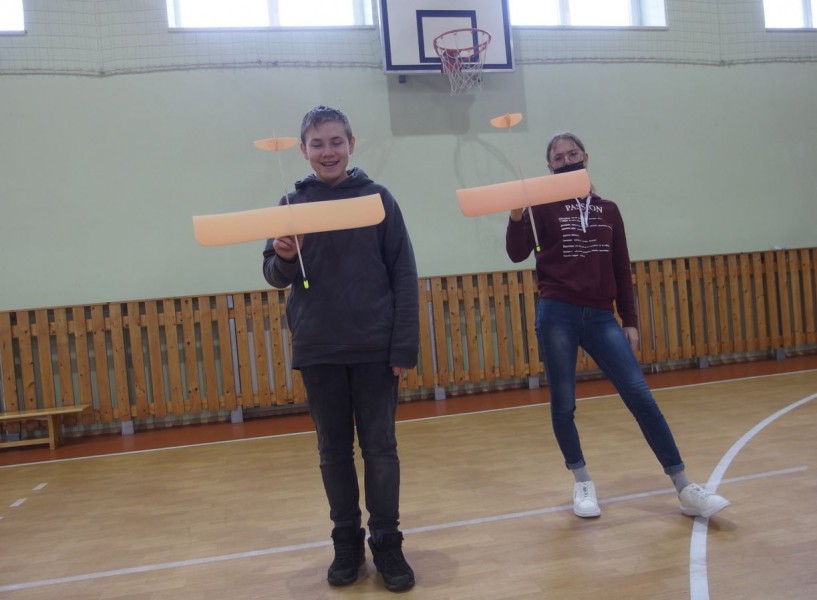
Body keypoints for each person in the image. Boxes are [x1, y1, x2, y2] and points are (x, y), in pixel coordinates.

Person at [505, 132, 730, 520]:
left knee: (640, 395)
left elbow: (620, 267)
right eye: (558, 157)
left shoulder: (608, 210)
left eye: (573, 153)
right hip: (557, 312)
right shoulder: (540, 207)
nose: (567, 160)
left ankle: (684, 486)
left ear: (586, 157)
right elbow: (516, 253)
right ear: (549, 166)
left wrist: (631, 320)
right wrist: (514, 216)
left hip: (601, 316)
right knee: (563, 402)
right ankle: (582, 481)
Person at [262, 105, 419, 592]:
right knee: (333, 451)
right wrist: (285, 256)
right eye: (317, 143)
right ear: (303, 150)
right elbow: (274, 275)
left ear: (351, 144)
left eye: (336, 141)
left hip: (375, 347)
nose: (327, 151)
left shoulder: (378, 199)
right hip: (319, 348)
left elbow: (404, 273)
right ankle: (346, 543)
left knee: (380, 449)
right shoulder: (290, 204)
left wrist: (403, 346)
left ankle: (387, 542)